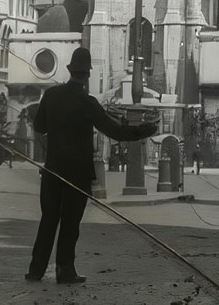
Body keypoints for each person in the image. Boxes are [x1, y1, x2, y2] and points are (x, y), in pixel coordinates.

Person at [27, 47, 157, 285]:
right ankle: (65, 271)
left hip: (53, 169)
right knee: (70, 223)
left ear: (69, 70)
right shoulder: (89, 103)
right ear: (87, 75)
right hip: (77, 172)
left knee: (49, 219)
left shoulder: (52, 95)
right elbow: (115, 131)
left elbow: (39, 127)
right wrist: (143, 130)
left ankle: (35, 270)